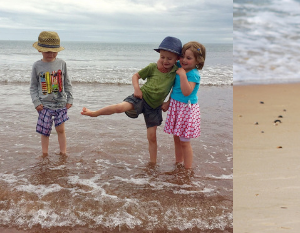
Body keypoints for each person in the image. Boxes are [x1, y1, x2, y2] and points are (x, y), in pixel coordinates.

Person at [81, 36, 182, 165]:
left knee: (152, 137)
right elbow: (136, 76)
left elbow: (176, 88)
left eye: (169, 58)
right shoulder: (152, 67)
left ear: (177, 59)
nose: (165, 61)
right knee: (119, 107)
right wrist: (137, 89)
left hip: (154, 107)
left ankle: (152, 164)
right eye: (162, 57)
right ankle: (94, 113)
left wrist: (168, 102)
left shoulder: (176, 72)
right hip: (141, 97)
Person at [162, 41, 206, 169]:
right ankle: (178, 162)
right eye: (182, 56)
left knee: (185, 141)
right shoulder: (179, 65)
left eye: (189, 58)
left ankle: (187, 169)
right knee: (176, 138)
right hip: (176, 106)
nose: (183, 60)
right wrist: (168, 103)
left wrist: (182, 75)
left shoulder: (193, 74)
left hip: (186, 109)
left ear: (198, 61)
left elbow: (187, 92)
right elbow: (175, 89)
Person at [30, 31, 73, 157]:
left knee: (61, 129)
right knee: (45, 132)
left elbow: (67, 83)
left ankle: (63, 152)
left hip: (61, 103)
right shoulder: (37, 66)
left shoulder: (62, 63)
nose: (51, 54)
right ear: (40, 50)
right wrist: (36, 102)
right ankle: (44, 154)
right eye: (47, 51)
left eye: (54, 51)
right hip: (44, 105)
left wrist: (70, 99)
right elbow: (33, 86)